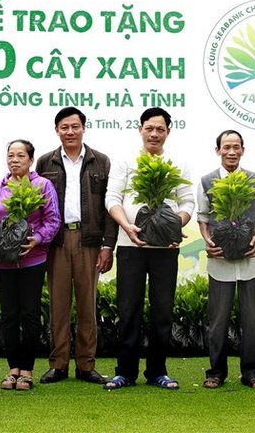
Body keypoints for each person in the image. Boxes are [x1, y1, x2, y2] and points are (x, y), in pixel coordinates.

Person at [103, 107, 195, 390]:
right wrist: (127, 226)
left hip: (165, 247)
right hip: (130, 246)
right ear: (140, 129)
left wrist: (174, 225)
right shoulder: (125, 161)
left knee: (162, 310)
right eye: (149, 128)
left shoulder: (177, 163)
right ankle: (125, 372)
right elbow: (112, 198)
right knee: (128, 309)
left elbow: (188, 202)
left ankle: (157, 371)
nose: (154, 134)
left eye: (160, 129)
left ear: (168, 131)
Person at [35, 107, 117, 385]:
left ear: (83, 128)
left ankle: (86, 365)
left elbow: (108, 206)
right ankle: (58, 364)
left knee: (87, 305)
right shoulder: (45, 162)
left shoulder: (100, 161)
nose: (70, 132)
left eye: (75, 126)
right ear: (57, 130)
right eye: (64, 127)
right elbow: (38, 206)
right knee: (58, 306)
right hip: (56, 241)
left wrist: (108, 245)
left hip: (89, 240)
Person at [197, 130, 255, 389]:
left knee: (251, 319)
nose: (231, 152)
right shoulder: (206, 181)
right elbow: (203, 217)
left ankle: (252, 373)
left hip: (250, 260)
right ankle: (216, 372)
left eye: (236, 147)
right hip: (220, 262)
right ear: (218, 150)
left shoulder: (254, 179)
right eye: (226, 147)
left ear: (242, 150)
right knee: (218, 321)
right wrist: (208, 241)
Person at [0, 139, 61, 391]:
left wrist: (37, 239)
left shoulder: (42, 185)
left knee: (29, 314)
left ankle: (27, 370)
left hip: (33, 259)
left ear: (31, 160)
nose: (15, 160)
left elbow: (53, 220)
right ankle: (13, 369)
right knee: (8, 315)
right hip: (4, 263)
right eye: (11, 155)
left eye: (21, 155)